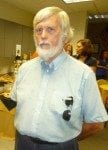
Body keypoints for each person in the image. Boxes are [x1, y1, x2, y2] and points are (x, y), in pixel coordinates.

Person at [11, 7, 108, 150]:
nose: (42, 35)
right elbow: (17, 104)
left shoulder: (83, 74)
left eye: (50, 29)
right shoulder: (25, 69)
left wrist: (66, 140)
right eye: (38, 30)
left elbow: (96, 124)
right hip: (22, 143)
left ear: (65, 36)